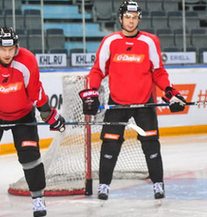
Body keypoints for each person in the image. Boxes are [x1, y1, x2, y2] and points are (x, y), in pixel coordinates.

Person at [78, 1, 186, 201]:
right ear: (121, 19)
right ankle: (103, 186)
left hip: (145, 103)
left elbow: (158, 71)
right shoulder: (110, 41)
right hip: (117, 103)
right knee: (109, 145)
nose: (130, 21)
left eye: (134, 17)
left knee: (151, 145)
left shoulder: (150, 41)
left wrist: (171, 92)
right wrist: (92, 91)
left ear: (139, 19)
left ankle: (158, 184)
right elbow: (98, 70)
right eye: (127, 17)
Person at [0, 27, 66, 217]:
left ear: (16, 48)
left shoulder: (26, 60)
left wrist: (49, 115)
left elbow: (35, 92)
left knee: (30, 157)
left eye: (11, 49)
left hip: (23, 115)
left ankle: (38, 198)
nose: (7, 54)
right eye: (3, 50)